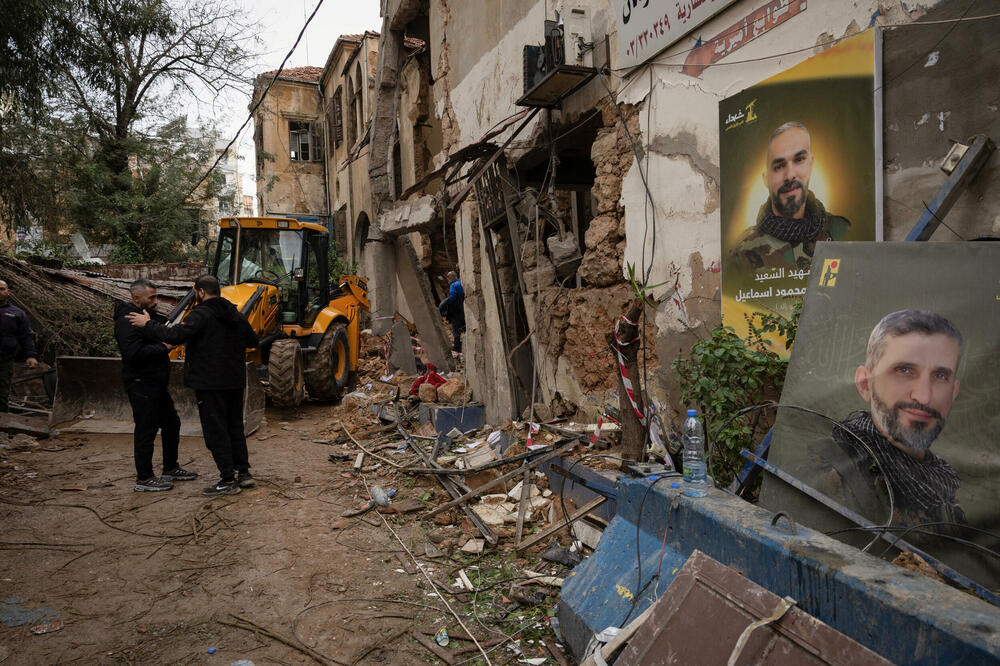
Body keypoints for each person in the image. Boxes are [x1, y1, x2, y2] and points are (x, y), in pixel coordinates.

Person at [807, 309, 965, 529]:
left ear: (953, 393)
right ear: (865, 384)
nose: (924, 396)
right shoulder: (832, 469)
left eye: (940, 376)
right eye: (904, 370)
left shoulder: (944, 481)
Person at [127, 275, 259, 496]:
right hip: (234, 381)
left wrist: (147, 324)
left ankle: (227, 480)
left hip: (210, 383)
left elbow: (176, 334)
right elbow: (253, 342)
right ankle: (244, 473)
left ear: (200, 292)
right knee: (234, 426)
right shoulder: (235, 314)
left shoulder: (201, 314)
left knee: (215, 431)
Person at [730, 122, 851, 271]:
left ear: (811, 165)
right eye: (778, 166)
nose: (790, 175)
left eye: (799, 160)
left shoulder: (841, 232)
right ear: (766, 179)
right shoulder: (741, 254)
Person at [113, 279, 196, 492]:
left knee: (171, 423)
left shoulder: (146, 317)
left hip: (156, 382)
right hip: (141, 382)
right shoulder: (128, 320)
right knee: (146, 429)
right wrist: (164, 346)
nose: (156, 301)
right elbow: (133, 354)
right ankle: (144, 478)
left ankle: (170, 467)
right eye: (151, 298)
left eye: (156, 296)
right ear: (136, 298)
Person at [0, 280, 38, 412]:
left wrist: (31, 355)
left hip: (4, 360)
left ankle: (2, 426)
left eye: (2, 289)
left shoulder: (17, 313)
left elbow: (26, 335)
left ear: (8, 292)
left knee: (2, 393)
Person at [438, 271, 465, 354]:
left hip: (455, 311)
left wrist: (447, 303)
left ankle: (457, 347)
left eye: (448, 278)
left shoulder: (453, 285)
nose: (448, 280)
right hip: (462, 310)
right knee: (463, 326)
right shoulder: (460, 283)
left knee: (455, 329)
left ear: (451, 277)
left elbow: (452, 297)